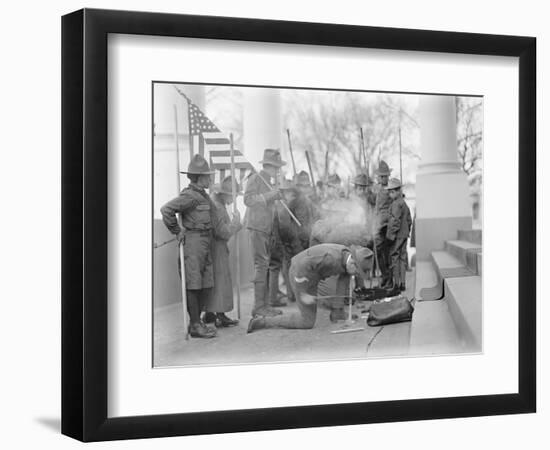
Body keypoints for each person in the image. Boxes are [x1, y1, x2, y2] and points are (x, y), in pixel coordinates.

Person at [247, 244, 373, 332]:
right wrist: (303, 292)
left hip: (312, 274)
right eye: (357, 272)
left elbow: (343, 277)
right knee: (306, 321)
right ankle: (261, 322)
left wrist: (338, 308)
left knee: (345, 275)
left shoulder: (346, 256)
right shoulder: (330, 259)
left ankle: (337, 313)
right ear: (353, 263)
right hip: (300, 273)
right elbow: (303, 264)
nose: (356, 276)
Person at [160, 154, 217, 339]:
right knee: (193, 284)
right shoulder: (190, 196)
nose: (210, 178)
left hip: (205, 242)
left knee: (206, 284)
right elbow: (166, 210)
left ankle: (198, 321)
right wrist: (177, 230)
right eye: (207, 176)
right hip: (193, 243)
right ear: (199, 178)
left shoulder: (202, 196)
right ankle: (194, 325)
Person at [244, 148, 286, 317]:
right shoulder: (256, 178)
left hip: (266, 229)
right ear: (269, 166)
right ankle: (259, 307)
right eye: (276, 167)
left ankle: (265, 305)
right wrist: (270, 195)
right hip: (257, 228)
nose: (278, 170)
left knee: (265, 266)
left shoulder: (270, 181)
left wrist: (276, 196)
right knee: (261, 266)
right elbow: (248, 200)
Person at [202, 176, 242, 328]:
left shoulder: (217, 203)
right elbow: (223, 232)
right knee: (221, 281)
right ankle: (220, 315)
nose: (235, 198)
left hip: (213, 247)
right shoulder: (218, 207)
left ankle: (210, 312)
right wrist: (235, 223)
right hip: (217, 247)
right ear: (226, 194)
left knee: (214, 280)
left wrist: (236, 225)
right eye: (234, 195)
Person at [367, 160, 393, 288]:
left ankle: (389, 279)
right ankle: (385, 277)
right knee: (378, 252)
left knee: (387, 253)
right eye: (380, 176)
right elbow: (374, 202)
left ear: (388, 176)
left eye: (384, 176)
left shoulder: (390, 189)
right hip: (378, 224)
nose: (382, 178)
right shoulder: (378, 189)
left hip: (386, 225)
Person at [386, 178, 412, 292]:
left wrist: (390, 236)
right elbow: (409, 220)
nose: (390, 194)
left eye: (392, 192)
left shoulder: (396, 204)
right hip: (405, 235)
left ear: (397, 191)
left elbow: (395, 221)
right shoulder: (404, 203)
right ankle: (403, 283)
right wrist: (406, 232)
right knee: (402, 259)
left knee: (394, 258)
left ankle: (396, 284)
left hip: (397, 235)